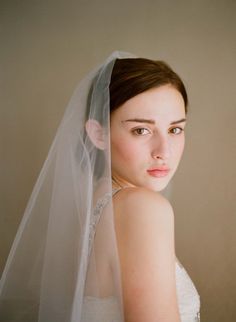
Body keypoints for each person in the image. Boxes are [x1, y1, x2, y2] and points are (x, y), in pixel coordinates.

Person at [0, 51, 200, 322]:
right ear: (98, 134)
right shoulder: (143, 208)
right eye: (141, 130)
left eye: (175, 129)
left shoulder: (88, 206)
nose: (164, 151)